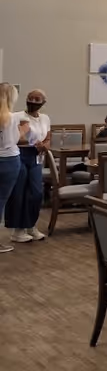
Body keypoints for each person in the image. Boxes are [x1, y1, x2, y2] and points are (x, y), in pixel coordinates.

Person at [8, 89, 50, 243]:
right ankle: (18, 230)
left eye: (37, 99)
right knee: (20, 193)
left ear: (43, 102)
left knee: (36, 193)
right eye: (30, 98)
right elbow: (17, 138)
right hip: (20, 155)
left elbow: (48, 136)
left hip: (36, 158)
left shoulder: (45, 118)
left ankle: (31, 225)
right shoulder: (18, 116)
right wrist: (34, 143)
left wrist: (45, 145)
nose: (33, 101)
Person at [0, 83, 30, 254]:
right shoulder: (11, 118)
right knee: (1, 200)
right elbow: (11, 141)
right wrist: (23, 131)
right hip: (8, 161)